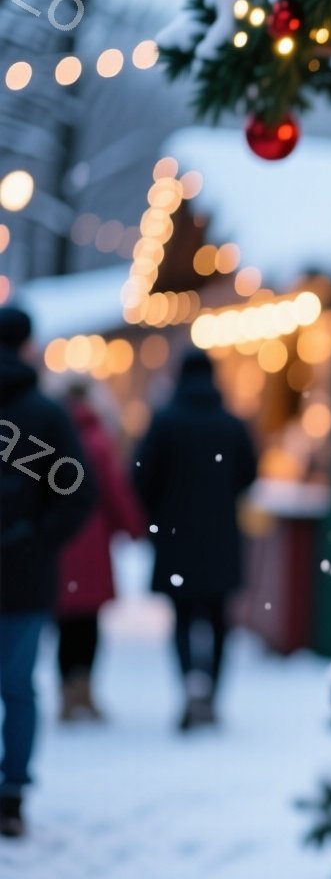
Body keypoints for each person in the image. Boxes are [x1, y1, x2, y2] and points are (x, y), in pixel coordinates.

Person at [0, 307, 95, 837]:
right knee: (16, 687)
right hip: (22, 575)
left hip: (22, 567)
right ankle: (10, 797)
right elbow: (79, 492)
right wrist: (39, 539)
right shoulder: (45, 414)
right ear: (30, 345)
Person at [133, 350, 256, 732]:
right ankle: (212, 693)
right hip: (221, 536)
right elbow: (249, 475)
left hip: (176, 537)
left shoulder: (165, 422)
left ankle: (190, 683)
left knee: (183, 616)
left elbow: (140, 478)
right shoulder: (232, 425)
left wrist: (161, 513)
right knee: (219, 620)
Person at [50, 375, 146, 722]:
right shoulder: (97, 439)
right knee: (88, 622)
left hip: (59, 541)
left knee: (64, 622)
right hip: (91, 540)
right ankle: (83, 691)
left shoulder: (48, 437)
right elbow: (114, 490)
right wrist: (134, 528)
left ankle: (66, 694)